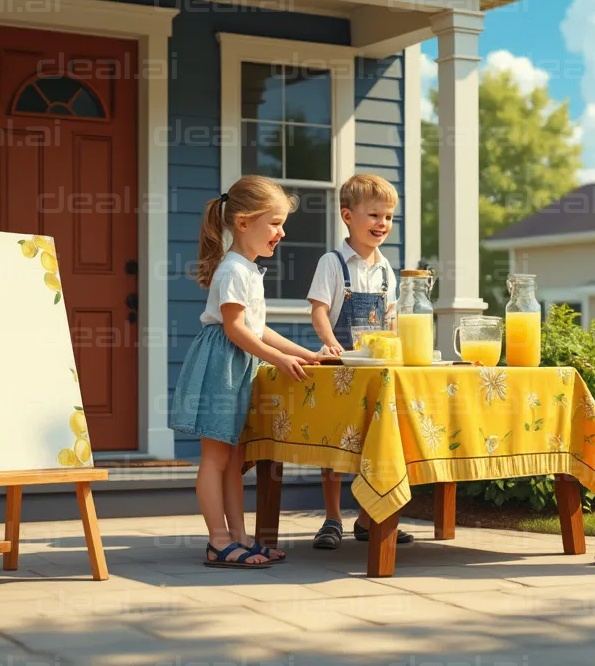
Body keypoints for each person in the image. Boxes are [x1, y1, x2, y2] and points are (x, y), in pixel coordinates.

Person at [169, 175, 321, 569]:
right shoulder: (233, 269)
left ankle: (239, 538)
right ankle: (218, 540)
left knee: (234, 460)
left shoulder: (249, 270)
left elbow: (258, 328)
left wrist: (306, 354)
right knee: (216, 459)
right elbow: (235, 328)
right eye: (274, 223)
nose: (281, 232)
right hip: (221, 367)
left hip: (238, 364)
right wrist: (276, 359)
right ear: (242, 223)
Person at [305, 174, 415, 550]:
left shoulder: (386, 269)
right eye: (373, 216)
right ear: (347, 216)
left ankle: (371, 517)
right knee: (336, 443)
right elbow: (319, 310)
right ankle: (333, 517)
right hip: (341, 366)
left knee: (376, 441)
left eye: (387, 217)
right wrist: (331, 343)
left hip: (375, 369)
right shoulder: (332, 263)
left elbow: (392, 316)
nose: (381, 224)